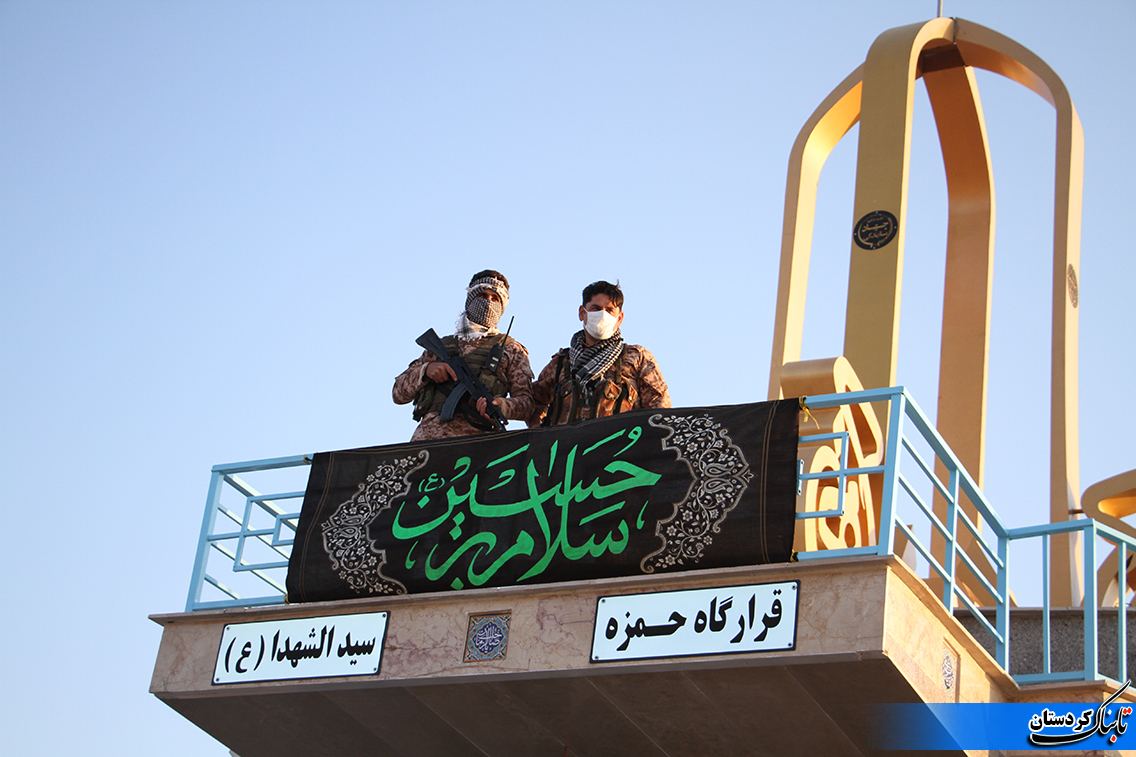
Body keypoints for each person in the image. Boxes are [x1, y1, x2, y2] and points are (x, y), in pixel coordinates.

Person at [393, 270, 534, 441]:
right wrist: (426, 370)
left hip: (479, 444)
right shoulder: (440, 346)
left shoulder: (511, 350)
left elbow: (527, 405)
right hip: (428, 441)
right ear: (471, 299)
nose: (488, 302)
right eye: (482, 295)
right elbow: (398, 393)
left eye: (495, 298)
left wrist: (501, 406)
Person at [528, 280, 670, 427]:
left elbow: (659, 409)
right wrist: (539, 432)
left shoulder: (637, 358)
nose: (603, 315)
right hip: (567, 442)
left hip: (618, 441)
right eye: (595, 309)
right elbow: (534, 402)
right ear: (582, 313)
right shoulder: (562, 363)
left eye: (609, 310)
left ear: (620, 318)